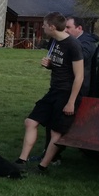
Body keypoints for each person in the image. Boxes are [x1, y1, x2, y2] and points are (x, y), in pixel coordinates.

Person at [16, 11, 84, 173]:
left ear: (52, 27)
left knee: (56, 132)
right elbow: (62, 66)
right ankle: (21, 160)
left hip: (67, 94)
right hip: (54, 91)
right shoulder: (54, 42)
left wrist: (71, 102)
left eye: (44, 25)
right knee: (30, 122)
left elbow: (79, 76)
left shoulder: (73, 45)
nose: (43, 28)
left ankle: (42, 167)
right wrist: (50, 65)